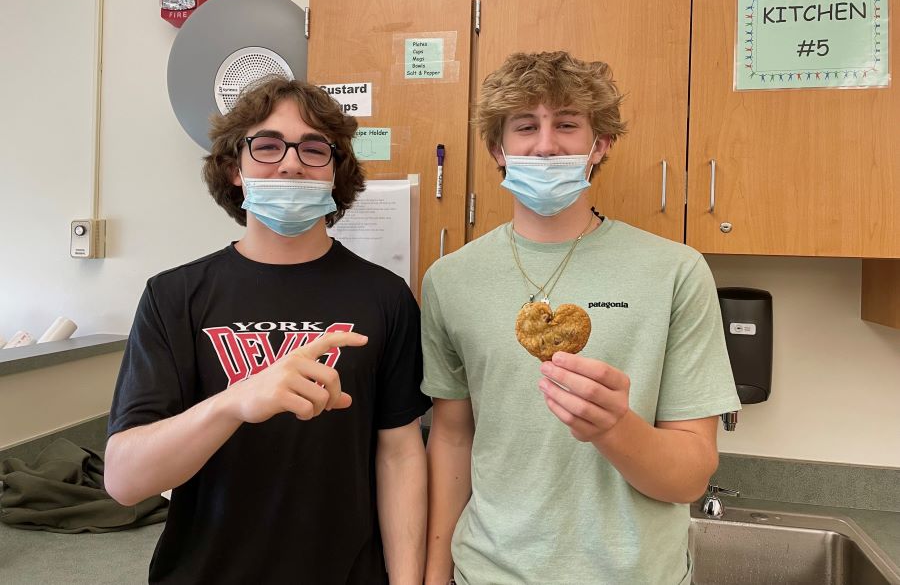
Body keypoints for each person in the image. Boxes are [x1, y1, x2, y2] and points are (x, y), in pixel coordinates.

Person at [421, 51, 741, 585]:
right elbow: (452, 438)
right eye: (526, 126)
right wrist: (433, 577)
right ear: (499, 148)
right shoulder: (449, 280)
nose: (546, 145)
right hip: (486, 572)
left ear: (600, 144)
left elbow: (691, 476)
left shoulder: (675, 272)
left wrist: (615, 428)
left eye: (567, 124)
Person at [105, 77, 431, 585]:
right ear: (235, 168)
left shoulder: (386, 297)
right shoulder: (174, 297)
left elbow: (401, 453)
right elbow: (125, 481)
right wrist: (235, 401)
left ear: (335, 170)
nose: (291, 162)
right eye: (268, 145)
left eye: (313, 147)